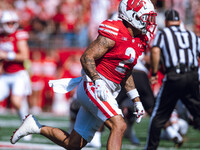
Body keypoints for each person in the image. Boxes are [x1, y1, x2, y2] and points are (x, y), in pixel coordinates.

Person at [10, 0, 157, 149]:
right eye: (146, 17)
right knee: (119, 125)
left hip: (107, 89)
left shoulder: (139, 40)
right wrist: (97, 80)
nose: (149, 22)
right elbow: (86, 57)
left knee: (74, 144)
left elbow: (125, 73)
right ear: (131, 16)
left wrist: (136, 99)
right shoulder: (115, 31)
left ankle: (35, 126)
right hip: (94, 85)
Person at [145, 9, 200, 150]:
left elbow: (155, 50)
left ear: (166, 22)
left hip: (174, 76)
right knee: (197, 112)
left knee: (159, 115)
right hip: (192, 75)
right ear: (180, 22)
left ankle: (151, 148)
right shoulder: (191, 35)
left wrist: (154, 72)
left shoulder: (163, 33)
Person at [0, 10, 32, 140]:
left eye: (13, 22)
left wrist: (6, 55)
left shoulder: (19, 35)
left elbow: (24, 55)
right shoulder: (1, 36)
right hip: (6, 75)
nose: (11, 25)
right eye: (9, 22)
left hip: (19, 74)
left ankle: (27, 125)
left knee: (16, 101)